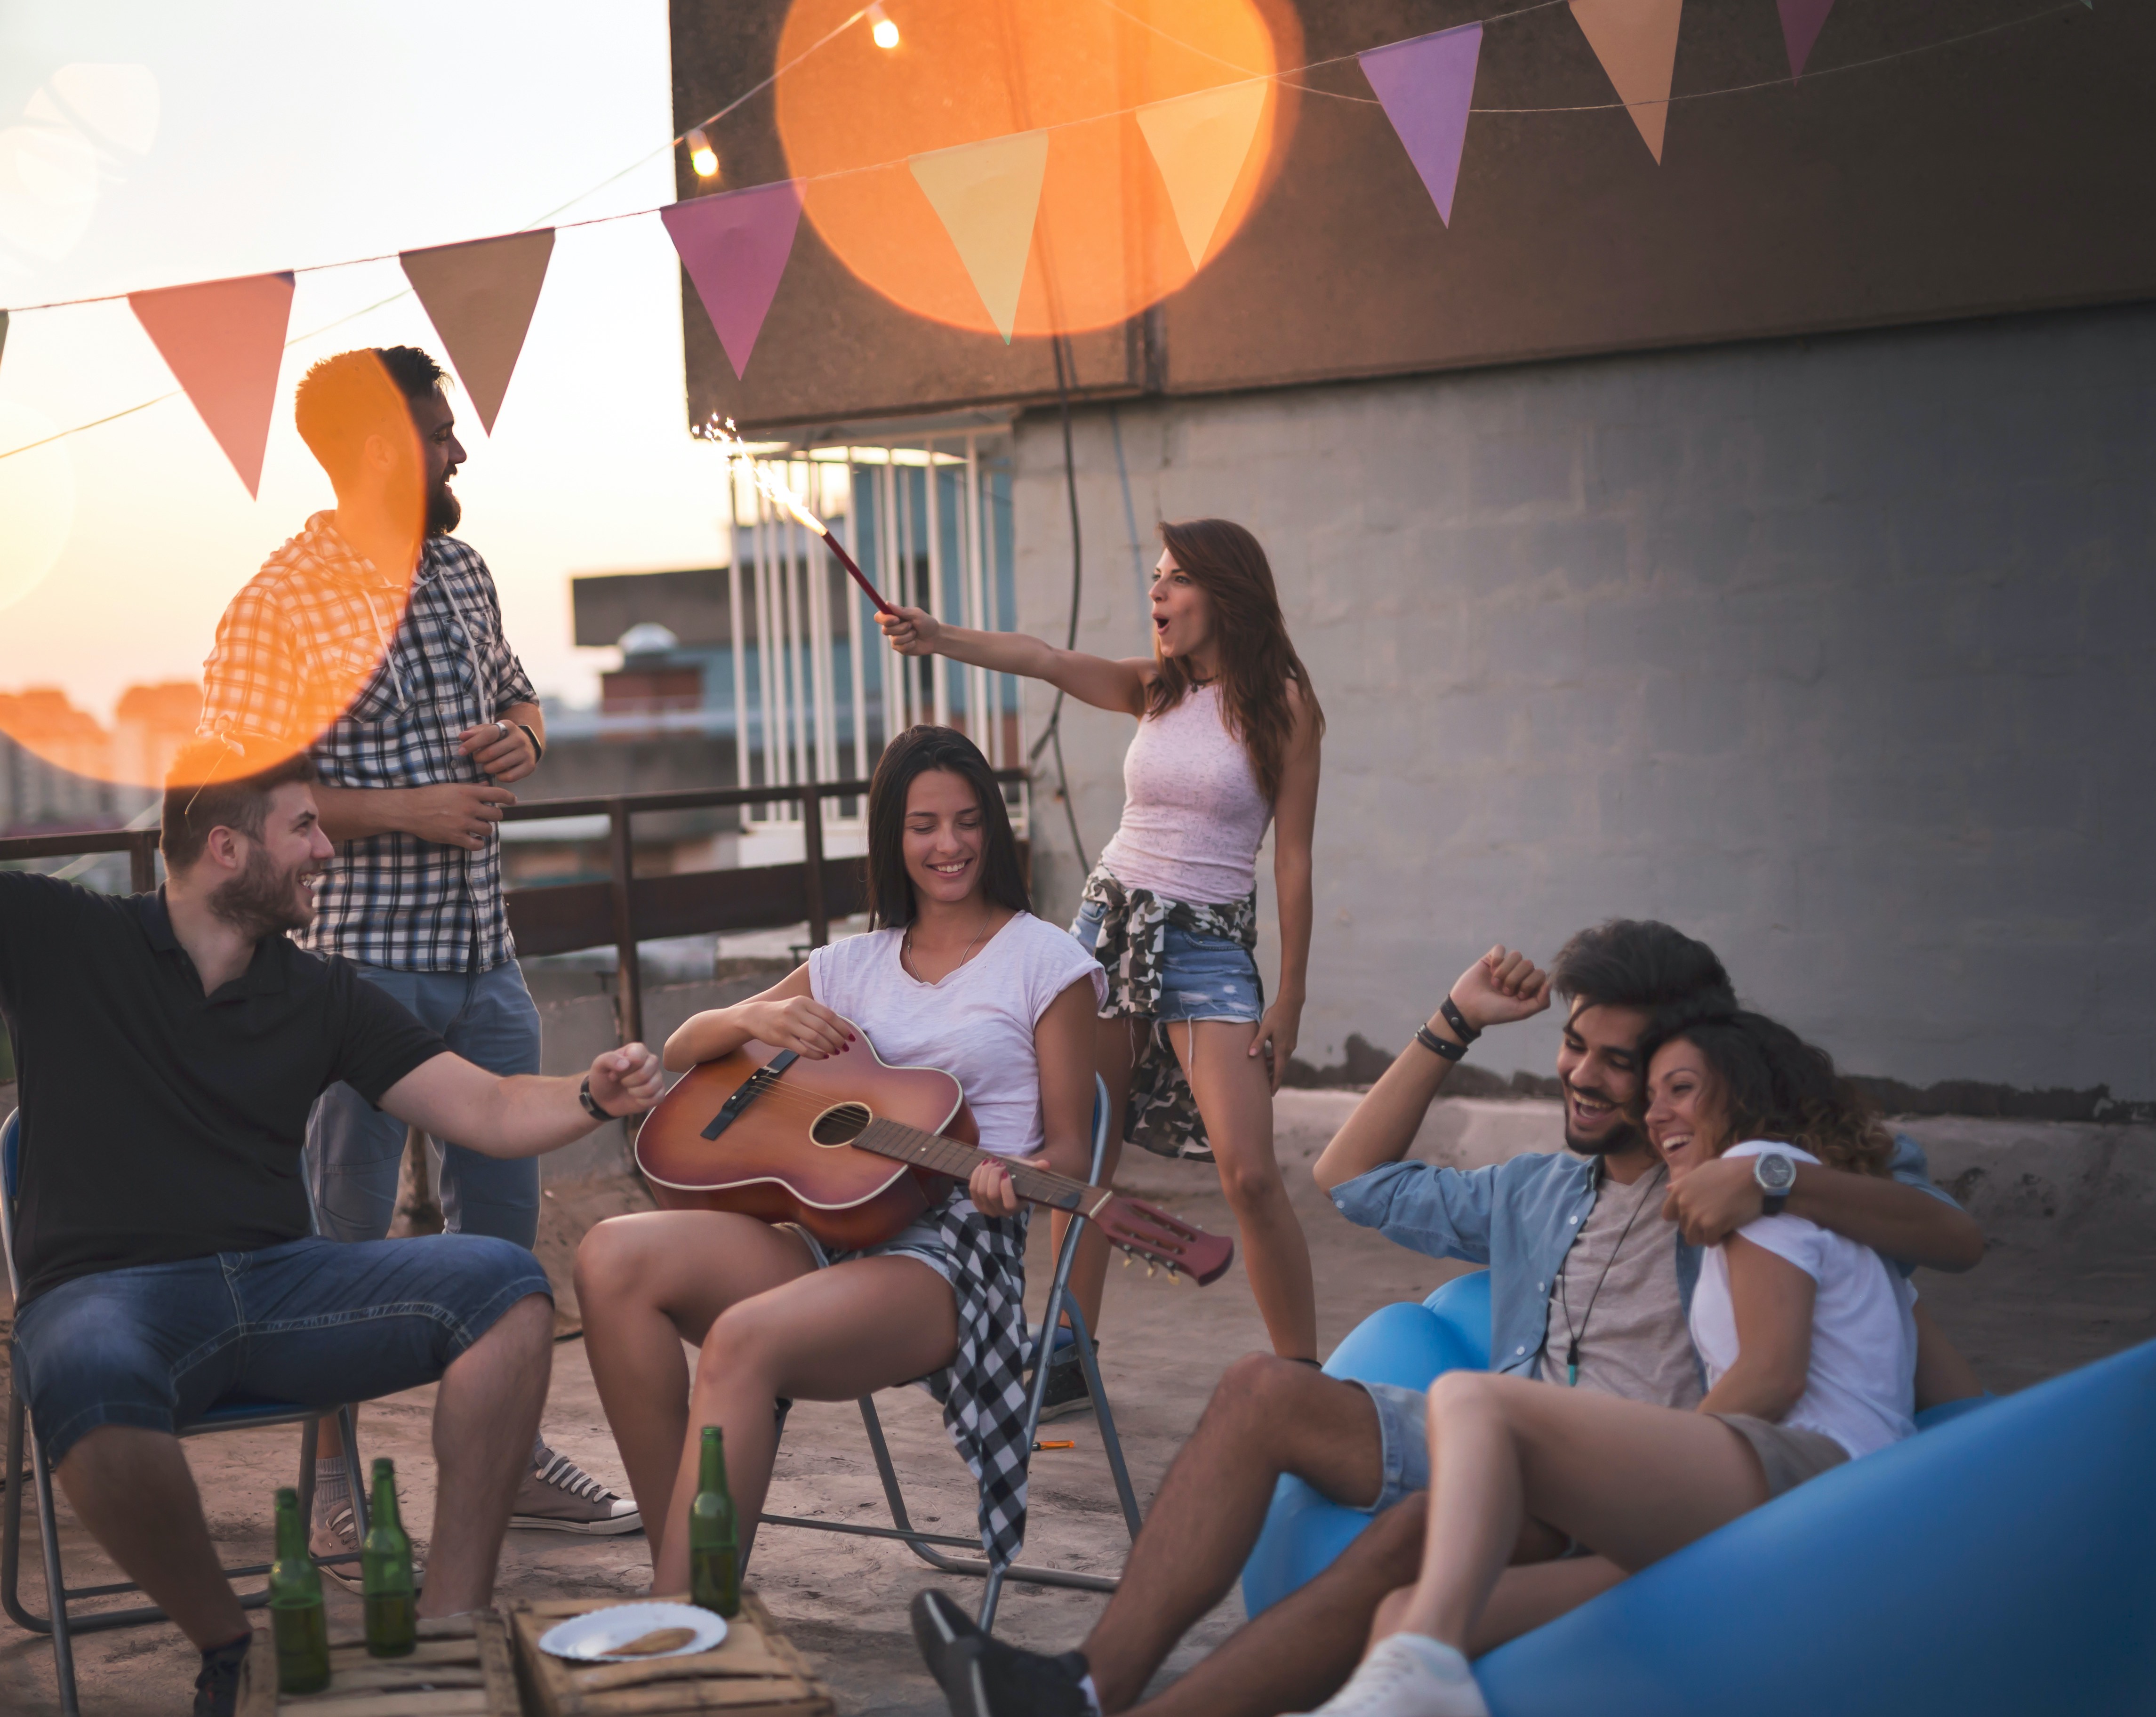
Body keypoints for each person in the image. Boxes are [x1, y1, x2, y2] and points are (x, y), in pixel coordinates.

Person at [0, 620, 664, 1717]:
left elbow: (476, 1103)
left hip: (285, 1288)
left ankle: (446, 1628)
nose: (327, 849)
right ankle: (230, 1642)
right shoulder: (68, 940)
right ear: (228, 850)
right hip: (116, 1298)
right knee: (83, 1369)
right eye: (303, 830)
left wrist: (589, 1094)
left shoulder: (319, 992)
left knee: (509, 1292)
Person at [914, 919, 1984, 1717]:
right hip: (1501, 1427)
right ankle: (1084, 1687)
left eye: (1627, 1063)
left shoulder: (1754, 1170)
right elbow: (1348, 1176)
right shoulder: (1539, 1192)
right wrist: (1456, 1019)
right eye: (1578, 1048)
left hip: (1631, 1476)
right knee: (1259, 1389)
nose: (1591, 1079)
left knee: (1425, 1535)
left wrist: (1772, 1181)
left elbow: (1940, 1230)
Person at [199, 345, 634, 1545]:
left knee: (499, 1238)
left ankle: (513, 1457)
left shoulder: (460, 570)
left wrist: (522, 740)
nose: (457, 449)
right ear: (378, 452)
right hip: (351, 973)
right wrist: (405, 811)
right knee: (338, 1242)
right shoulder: (279, 603)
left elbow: (523, 693)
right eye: (439, 431)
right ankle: (333, 1488)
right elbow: (238, 801)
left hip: (486, 961)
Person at [572, 724, 1101, 1589]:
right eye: (925, 824)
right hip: (824, 1230)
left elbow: (1073, 1150)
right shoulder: (850, 964)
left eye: (969, 822)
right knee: (608, 1257)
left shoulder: (1047, 961)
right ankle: (693, 1558)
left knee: (742, 1340)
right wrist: (752, 1020)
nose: (950, 845)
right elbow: (680, 1048)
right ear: (894, 836)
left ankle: (681, 1619)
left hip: (949, 1261)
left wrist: (1018, 1186)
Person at [1309, 1011, 1920, 1716]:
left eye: (1682, 1090)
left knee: (1473, 1402)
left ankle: (1427, 1658)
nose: (1657, 1115)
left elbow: (1773, 1374)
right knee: (1404, 1617)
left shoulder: (1763, 1189)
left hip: (1823, 1480)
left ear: (1744, 1095)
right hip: (1762, 1490)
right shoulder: (1749, 1197)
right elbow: (1351, 1179)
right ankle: (1423, 1659)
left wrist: (1628, 1480)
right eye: (1654, 1094)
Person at [881, 517, 1326, 1380]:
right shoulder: (1156, 689)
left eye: (1175, 580)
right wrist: (939, 638)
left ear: (1225, 594)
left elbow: (1295, 860)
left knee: (1250, 1173)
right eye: (1155, 578)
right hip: (1109, 927)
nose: (1155, 595)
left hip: (1206, 946)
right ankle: (1070, 1349)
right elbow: (1045, 658)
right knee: (1083, 1148)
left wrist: (1292, 997)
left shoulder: (1285, 706)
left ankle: (1301, 1378)